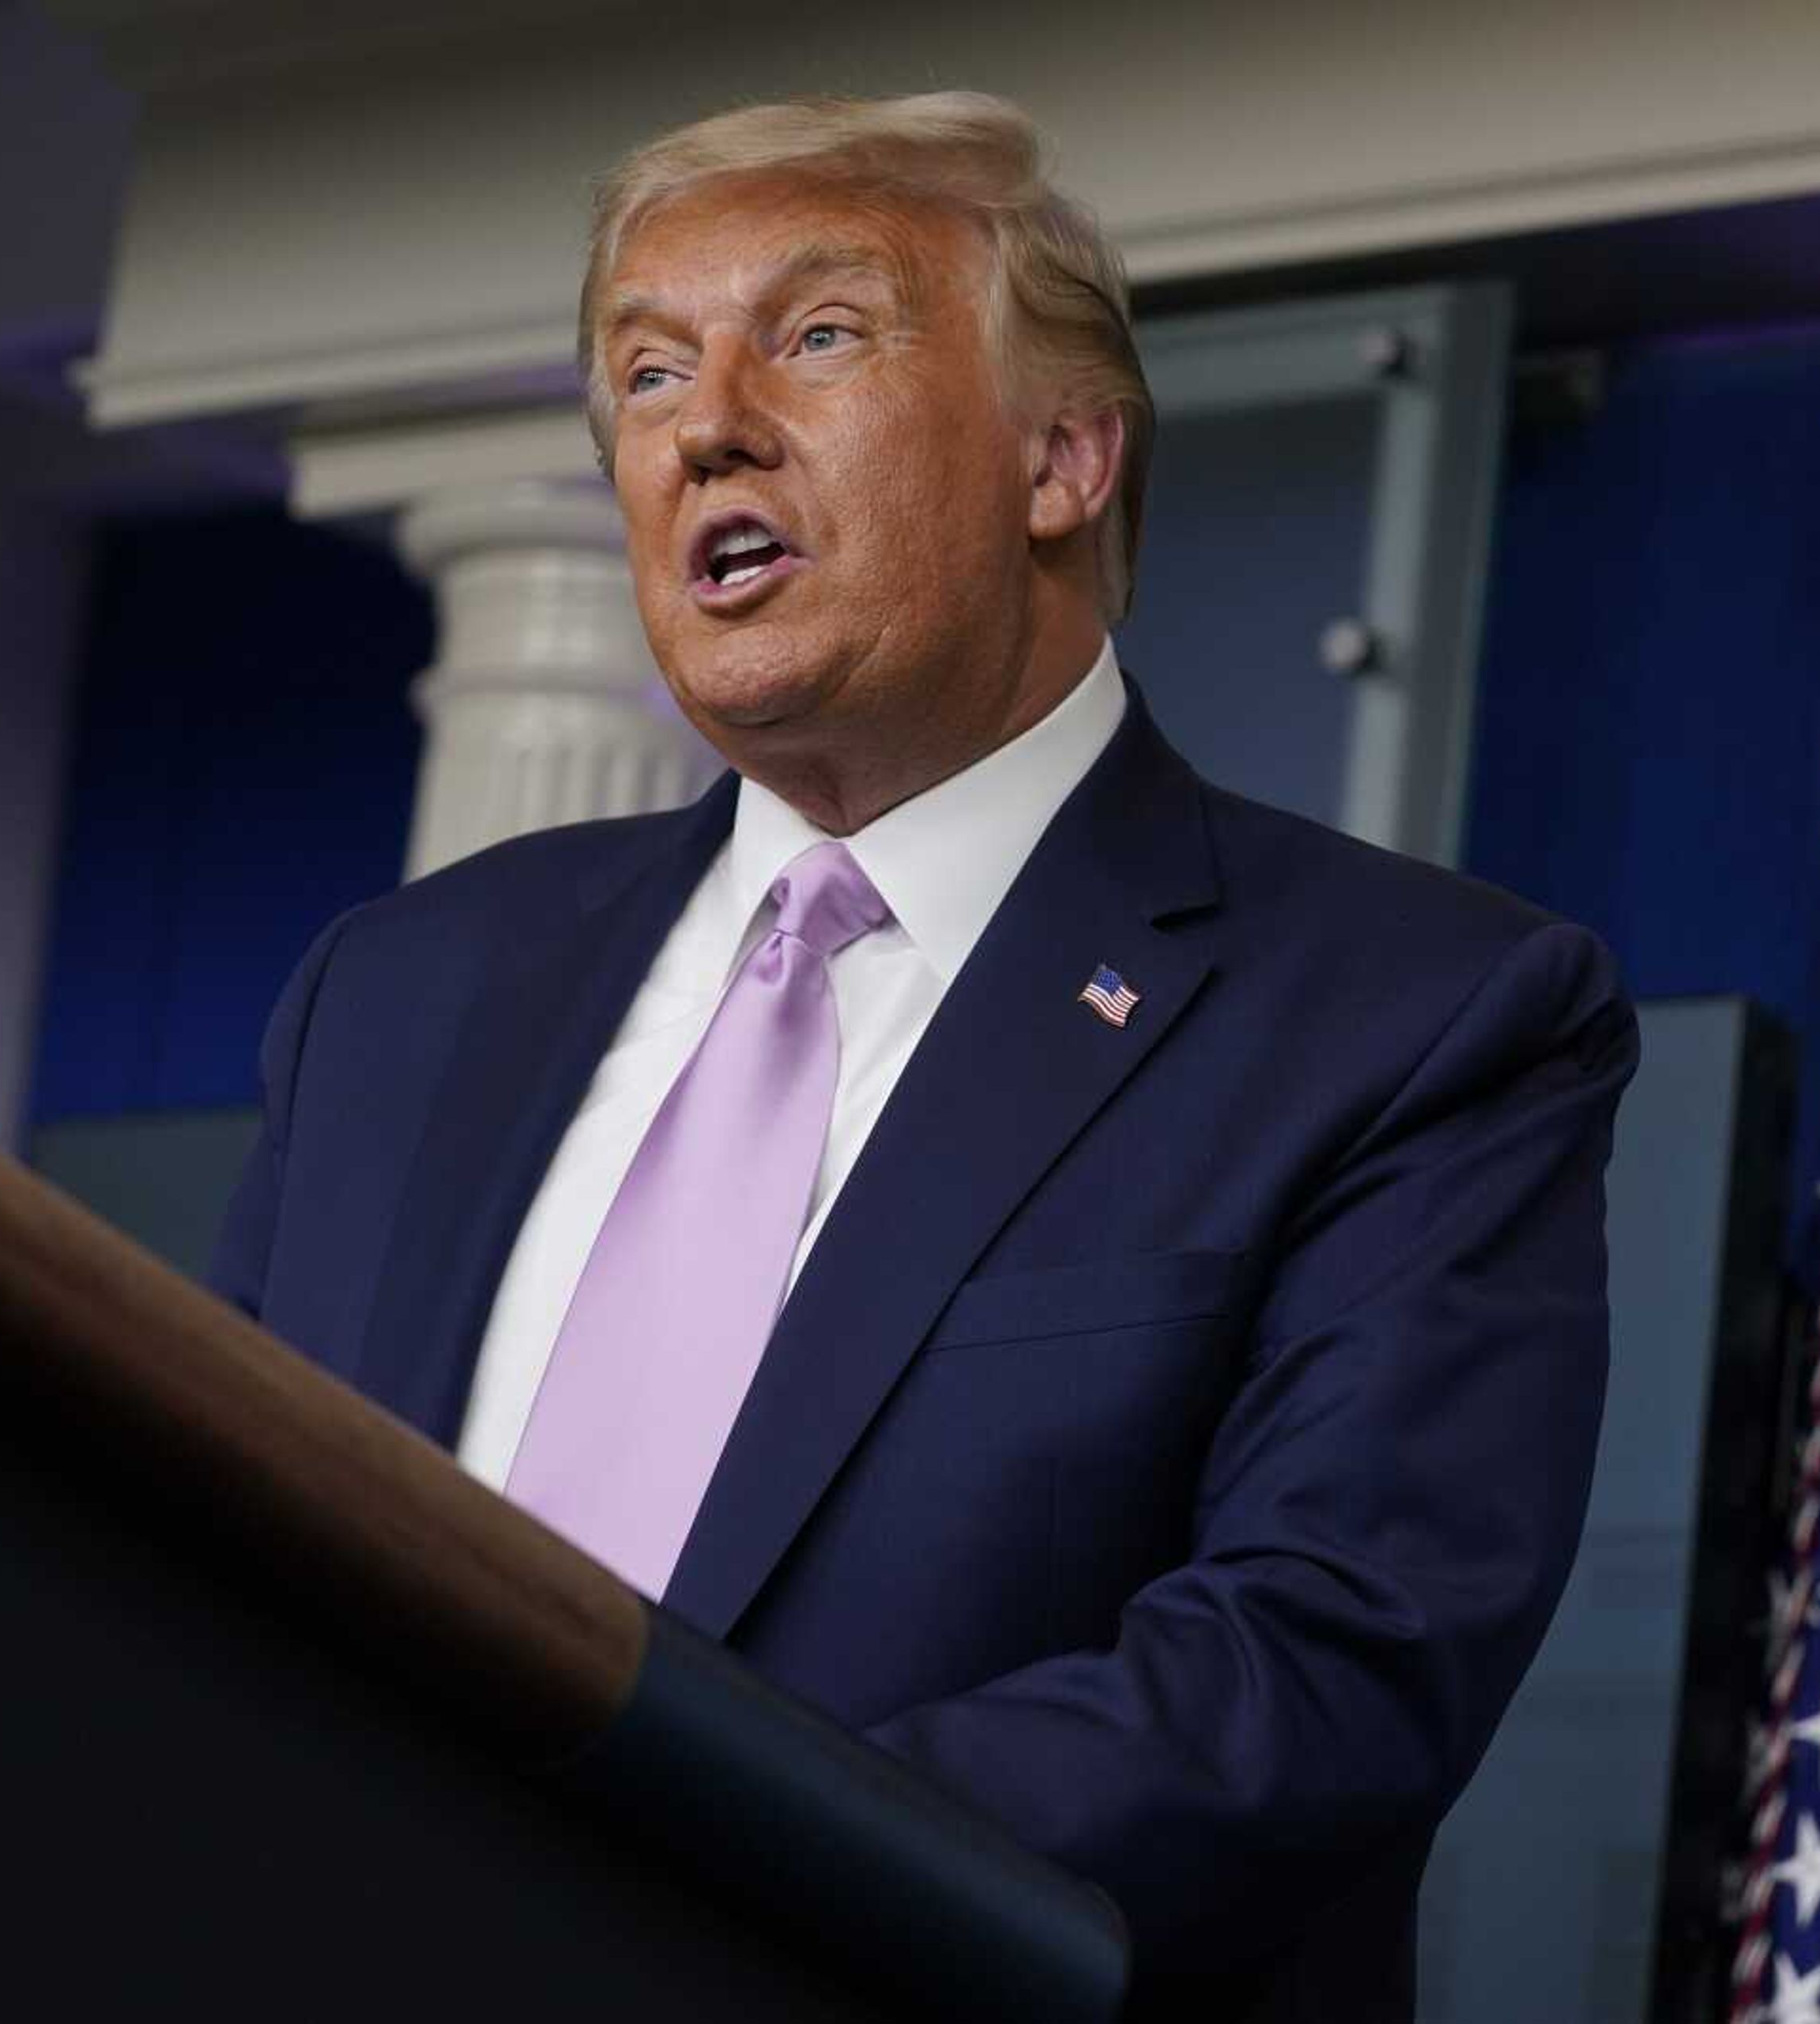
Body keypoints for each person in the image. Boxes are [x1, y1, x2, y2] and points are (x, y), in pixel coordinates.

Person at [209, 90, 1636, 2020]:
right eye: (644, 369)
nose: (703, 421)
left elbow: (1321, 1671)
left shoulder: (1412, 1019)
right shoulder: (400, 986)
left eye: (814, 336)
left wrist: (634, 1859)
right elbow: (203, 1566)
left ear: (1062, 457)